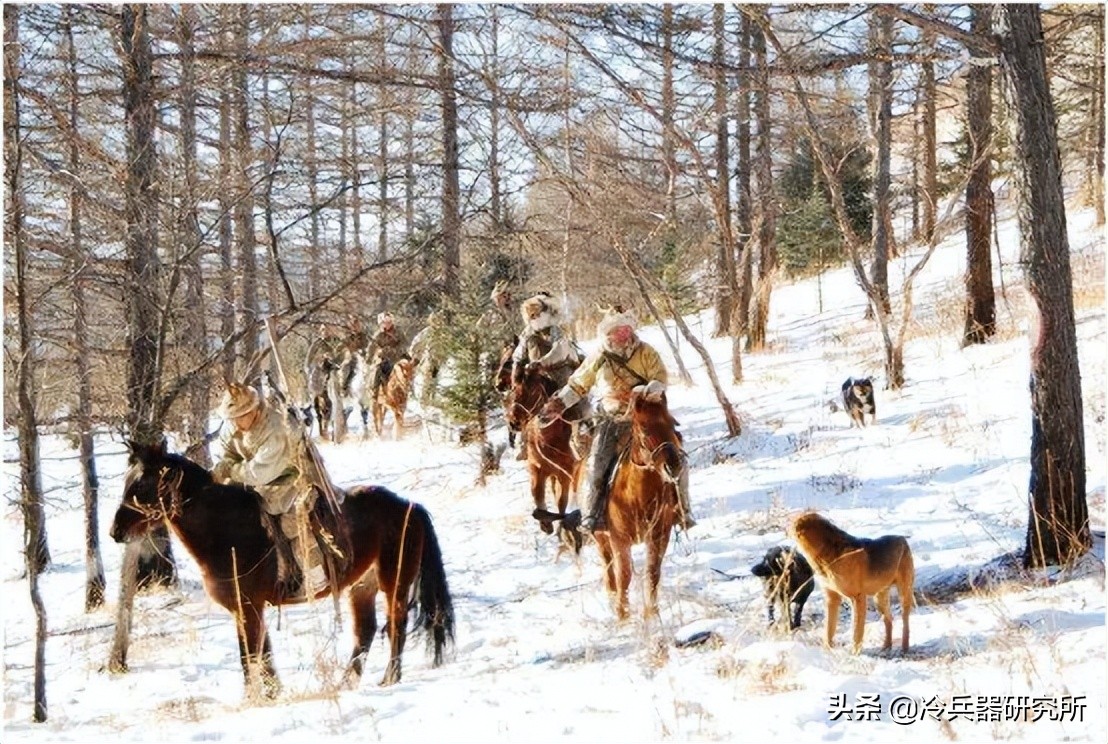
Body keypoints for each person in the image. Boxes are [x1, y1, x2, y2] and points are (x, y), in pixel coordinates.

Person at [542, 307, 696, 534]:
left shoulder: (646, 351)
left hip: (647, 416)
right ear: (608, 334)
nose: (624, 334)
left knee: (676, 456)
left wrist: (647, 390)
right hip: (612, 418)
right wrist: (559, 404)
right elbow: (578, 385)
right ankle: (591, 514)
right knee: (596, 462)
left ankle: (683, 509)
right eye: (618, 331)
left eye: (627, 329)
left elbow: (660, 378)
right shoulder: (599, 356)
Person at [212, 381, 340, 599]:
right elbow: (228, 454)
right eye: (232, 418)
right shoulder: (233, 427)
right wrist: (223, 471)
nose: (236, 422)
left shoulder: (277, 428)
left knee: (292, 525)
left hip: (294, 477)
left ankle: (316, 576)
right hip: (259, 484)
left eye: (240, 416)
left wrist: (230, 469)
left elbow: (259, 472)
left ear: (254, 410)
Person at [366, 312, 409, 398]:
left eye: (389, 322)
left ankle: (410, 389)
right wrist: (369, 358)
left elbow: (404, 344)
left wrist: (396, 350)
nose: (387, 324)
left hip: (398, 358)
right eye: (385, 322)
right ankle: (375, 391)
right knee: (378, 370)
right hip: (385, 359)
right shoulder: (379, 334)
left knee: (408, 368)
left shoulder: (398, 332)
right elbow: (372, 347)